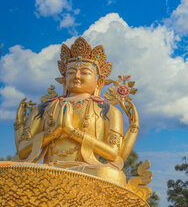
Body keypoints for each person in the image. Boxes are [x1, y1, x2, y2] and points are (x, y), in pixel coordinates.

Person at [13, 37, 132, 185]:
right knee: (12, 169)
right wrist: (53, 132)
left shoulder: (109, 111)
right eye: (71, 72)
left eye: (84, 72)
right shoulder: (42, 109)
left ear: (99, 82)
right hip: (47, 168)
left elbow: (113, 153)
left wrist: (71, 131)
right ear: (64, 79)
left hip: (86, 170)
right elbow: (23, 151)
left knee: (110, 174)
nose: (76, 76)